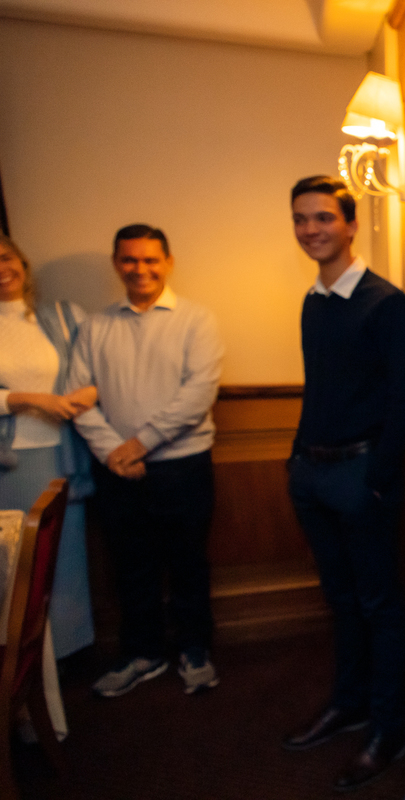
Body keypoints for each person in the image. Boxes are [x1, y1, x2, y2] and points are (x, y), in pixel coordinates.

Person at [282, 175, 405, 792]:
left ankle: (387, 728)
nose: (310, 229)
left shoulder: (385, 302)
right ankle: (351, 704)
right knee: (340, 601)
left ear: (349, 224)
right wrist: (296, 462)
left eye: (322, 218)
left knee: (378, 605)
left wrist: (374, 478)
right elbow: (322, 390)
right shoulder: (314, 299)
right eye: (301, 219)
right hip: (311, 472)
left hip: (360, 475)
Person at [70, 224, 224, 697]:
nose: (140, 269)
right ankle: (143, 653)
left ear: (168, 261)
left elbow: (196, 395)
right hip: (116, 470)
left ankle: (195, 650)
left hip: (183, 467)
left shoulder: (196, 320)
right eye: (130, 260)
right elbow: (78, 397)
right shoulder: (95, 326)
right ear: (117, 264)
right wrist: (113, 453)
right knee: (130, 567)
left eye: (150, 259)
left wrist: (138, 445)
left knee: (187, 565)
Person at [0, 234, 97, 659]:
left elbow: (94, 371)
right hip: (10, 464)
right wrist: (29, 398)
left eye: (6, 258)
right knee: (17, 566)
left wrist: (88, 393)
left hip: (61, 456)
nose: (2, 269)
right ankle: (23, 665)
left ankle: (69, 657)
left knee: (63, 561)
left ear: (21, 261)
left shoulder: (62, 316)